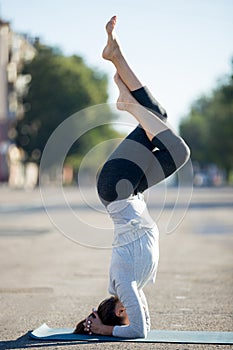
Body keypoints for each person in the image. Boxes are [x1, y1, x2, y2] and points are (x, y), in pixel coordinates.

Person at [74, 15, 190, 338]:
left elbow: (139, 332)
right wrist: (108, 324)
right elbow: (145, 324)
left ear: (116, 307)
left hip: (116, 187)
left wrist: (101, 328)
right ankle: (116, 57)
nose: (129, 312)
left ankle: (127, 102)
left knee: (178, 150)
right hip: (130, 190)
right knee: (163, 124)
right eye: (126, 316)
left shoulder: (123, 280)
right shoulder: (137, 283)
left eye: (121, 314)